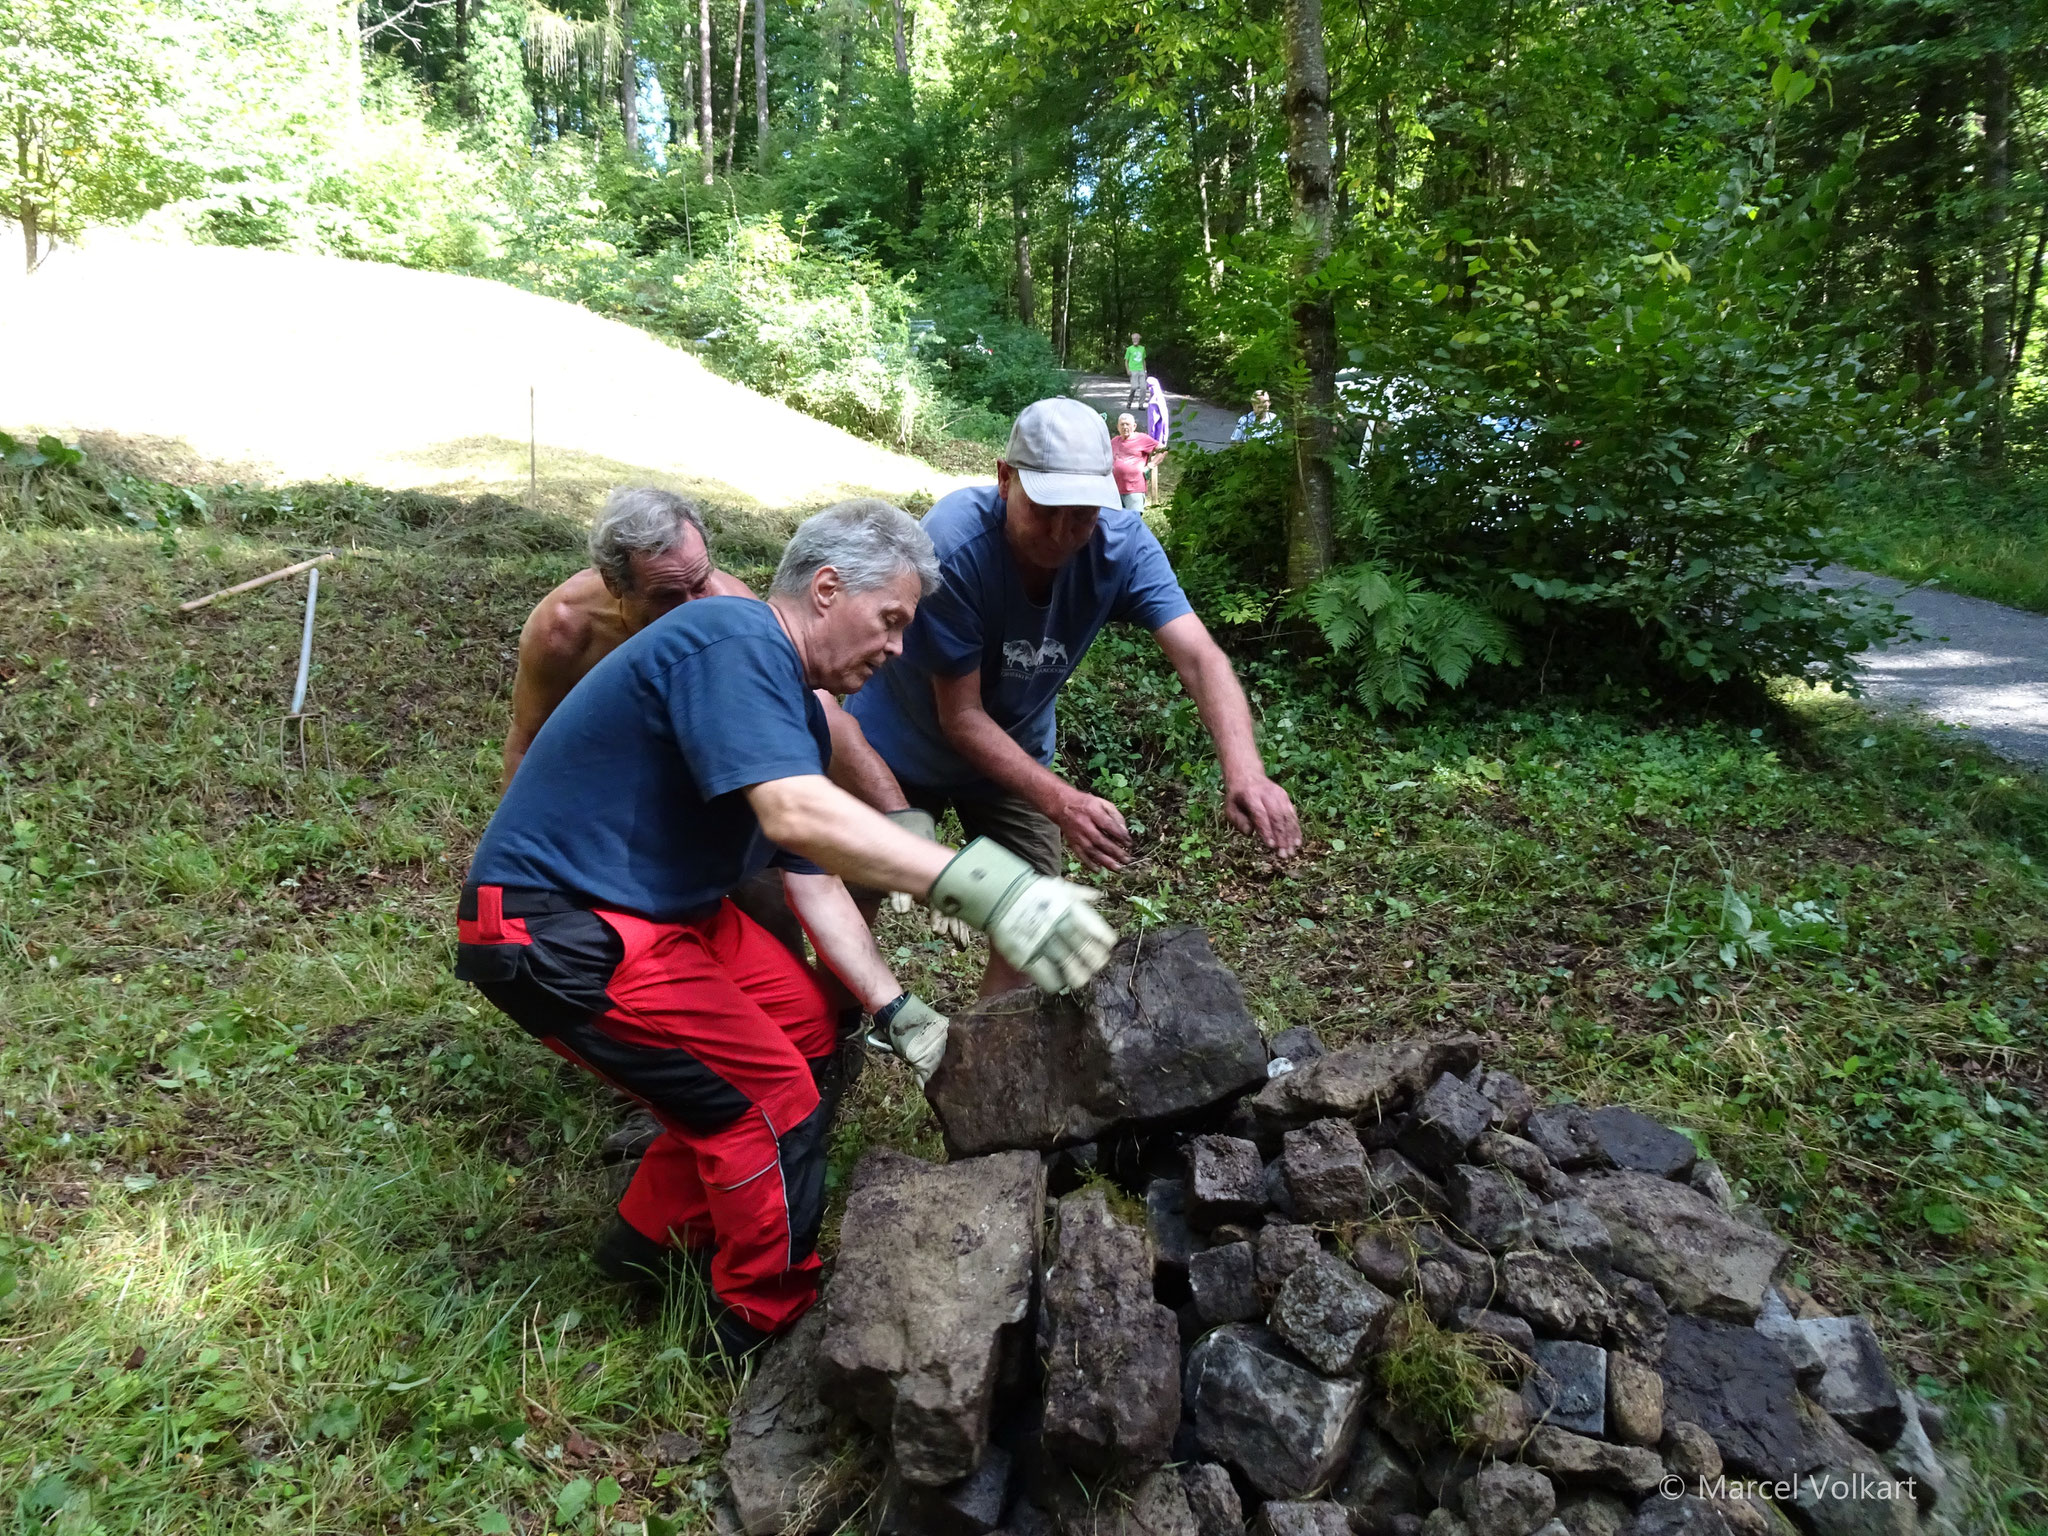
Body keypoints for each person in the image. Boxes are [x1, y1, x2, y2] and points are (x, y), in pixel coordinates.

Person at [456, 500, 1117, 1353]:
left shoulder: (783, 705)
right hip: (556, 927)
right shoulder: (732, 641)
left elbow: (816, 885)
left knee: (807, 1027)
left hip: (660, 915)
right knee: (773, 1100)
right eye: (890, 620)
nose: (897, 648)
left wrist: (896, 1010)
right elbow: (797, 816)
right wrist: (991, 889)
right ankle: (759, 1319)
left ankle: (648, 1243)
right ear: (828, 588)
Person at [505, 487, 932, 1164]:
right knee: (752, 1078)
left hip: (731, 818)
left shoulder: (737, 619)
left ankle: (733, 1092)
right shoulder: (567, 630)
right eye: (669, 597)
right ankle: (695, 1102)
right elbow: (530, 745)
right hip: (613, 871)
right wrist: (526, 864)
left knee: (779, 981)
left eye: (700, 581)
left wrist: (907, 830)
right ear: (617, 590)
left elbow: (826, 741)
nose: (696, 606)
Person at [846, 399, 1302, 999]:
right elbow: (960, 718)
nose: (1063, 536)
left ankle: (983, 1057)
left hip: (1014, 752)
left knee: (1036, 914)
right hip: (900, 746)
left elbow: (1200, 657)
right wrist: (1066, 802)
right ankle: (836, 1035)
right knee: (858, 893)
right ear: (1005, 479)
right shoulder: (953, 548)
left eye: (1082, 515)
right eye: (1046, 511)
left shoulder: (1123, 548)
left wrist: (1245, 771)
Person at [1111, 411, 1164, 514]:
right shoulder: (1114, 441)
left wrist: (1151, 465)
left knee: (1133, 522)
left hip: (1134, 489)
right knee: (1116, 524)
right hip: (1115, 490)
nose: (1125, 427)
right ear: (1118, 427)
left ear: (1134, 426)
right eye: (1122, 424)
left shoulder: (1142, 438)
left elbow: (1163, 449)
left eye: (1128, 424)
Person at [1144, 374, 1171, 447]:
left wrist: (1150, 435)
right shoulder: (1161, 398)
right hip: (1163, 432)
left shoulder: (1153, 401)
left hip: (1157, 433)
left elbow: (1152, 420)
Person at [1123, 333, 1147, 408]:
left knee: (1143, 387)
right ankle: (1129, 402)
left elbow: (1143, 360)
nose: (1135, 340)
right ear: (1132, 340)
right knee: (1134, 387)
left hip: (1141, 370)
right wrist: (1128, 370)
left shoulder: (1142, 348)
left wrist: (1145, 371)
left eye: (1137, 338)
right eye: (1134, 338)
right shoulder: (1129, 349)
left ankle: (1141, 405)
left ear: (1139, 339)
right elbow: (1126, 361)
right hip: (1133, 370)